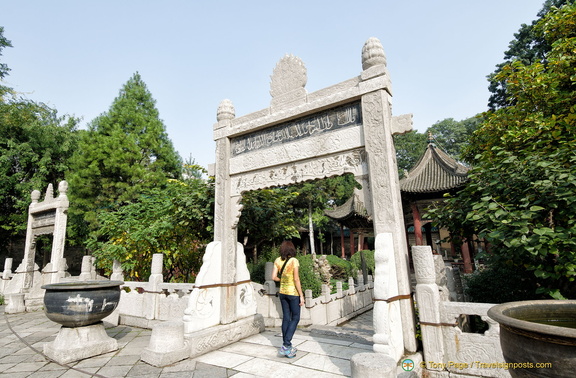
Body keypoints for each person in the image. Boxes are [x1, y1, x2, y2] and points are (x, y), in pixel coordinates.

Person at [272, 240, 304, 358]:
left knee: (286, 317)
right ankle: (286, 345)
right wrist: (301, 295)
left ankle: (287, 346)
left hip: (282, 293)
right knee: (295, 318)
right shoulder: (294, 261)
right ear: (292, 249)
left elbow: (273, 277)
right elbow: (296, 279)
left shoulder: (277, 260)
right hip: (293, 293)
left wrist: (283, 280)